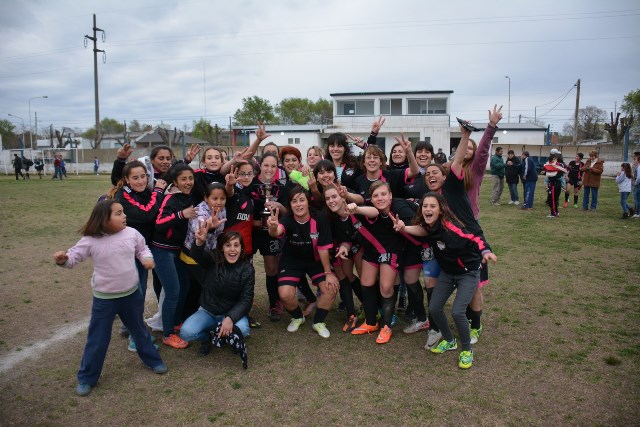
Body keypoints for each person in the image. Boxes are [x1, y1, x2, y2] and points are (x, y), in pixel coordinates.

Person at [53, 200, 167, 397]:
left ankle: (153, 360)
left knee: (139, 331)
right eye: (118, 213)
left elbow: (142, 249)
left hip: (131, 295)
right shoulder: (91, 240)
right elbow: (74, 258)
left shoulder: (131, 233)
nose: (124, 216)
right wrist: (64, 260)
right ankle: (87, 377)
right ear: (104, 219)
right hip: (104, 300)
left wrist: (147, 259)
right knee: (97, 338)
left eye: (123, 212)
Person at [391, 192, 497, 369]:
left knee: (457, 311)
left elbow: (474, 238)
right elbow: (421, 230)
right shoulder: (429, 225)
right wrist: (404, 228)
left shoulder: (451, 227)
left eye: (432, 206)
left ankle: (467, 350)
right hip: (448, 274)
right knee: (434, 308)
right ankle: (449, 340)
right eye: (425, 206)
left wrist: (485, 251)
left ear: (441, 210)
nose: (428, 209)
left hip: (467, 272)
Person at [266, 186, 339, 338]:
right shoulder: (287, 219)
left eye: (301, 200)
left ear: (307, 202)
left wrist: (328, 273)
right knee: (285, 295)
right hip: (292, 260)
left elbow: (323, 248)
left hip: (315, 260)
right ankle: (298, 317)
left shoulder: (319, 218)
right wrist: (272, 228)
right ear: (290, 205)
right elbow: (277, 231)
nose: (298, 204)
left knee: (331, 288)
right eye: (294, 201)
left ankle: (318, 322)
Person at [111, 160, 167, 351]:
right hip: (130, 252)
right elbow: (146, 214)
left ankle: (128, 325)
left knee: (137, 289)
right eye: (135, 178)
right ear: (126, 180)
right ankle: (137, 338)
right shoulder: (123, 197)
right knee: (137, 292)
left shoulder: (145, 192)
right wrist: (159, 192)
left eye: (143, 176)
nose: (141, 181)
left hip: (142, 249)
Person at [180, 230, 254, 356]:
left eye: (236, 245)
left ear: (241, 248)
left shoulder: (247, 269)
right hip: (208, 310)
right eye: (228, 245)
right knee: (186, 332)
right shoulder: (212, 259)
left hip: (232, 312)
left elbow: (246, 299)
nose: (232, 249)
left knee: (243, 330)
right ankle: (207, 338)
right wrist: (199, 242)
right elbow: (197, 255)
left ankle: (228, 337)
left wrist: (230, 318)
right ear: (221, 248)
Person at [151, 163, 196, 349]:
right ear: (176, 181)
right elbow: (159, 223)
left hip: (177, 251)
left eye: (190, 178)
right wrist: (181, 215)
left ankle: (176, 322)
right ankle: (168, 333)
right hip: (161, 250)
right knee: (173, 291)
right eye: (183, 179)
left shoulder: (189, 196)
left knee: (184, 286)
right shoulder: (171, 199)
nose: (188, 182)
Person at [542, 154, 568, 218]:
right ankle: (555, 212)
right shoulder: (549, 166)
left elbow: (559, 174)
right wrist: (546, 173)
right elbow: (548, 173)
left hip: (555, 184)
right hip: (552, 184)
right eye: (552, 159)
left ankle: (554, 213)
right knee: (552, 199)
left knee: (553, 199)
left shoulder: (559, 165)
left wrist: (550, 176)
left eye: (555, 159)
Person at [633, 152, 640, 219]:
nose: (634, 160)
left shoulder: (638, 167)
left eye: (636, 159)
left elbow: (638, 178)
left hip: (638, 185)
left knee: (637, 199)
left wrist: (635, 183)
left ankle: (637, 213)